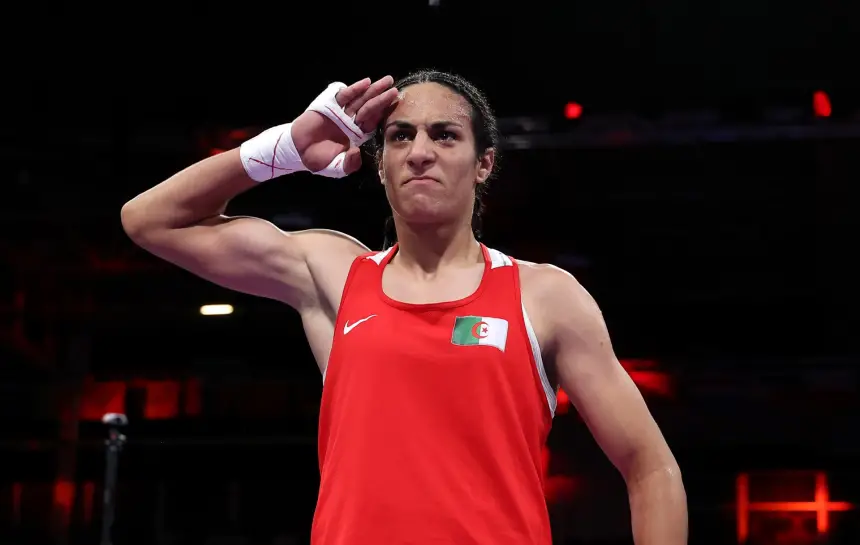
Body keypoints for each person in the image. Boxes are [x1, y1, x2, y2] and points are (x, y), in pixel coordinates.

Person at [121, 71, 687, 545]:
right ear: (380, 162)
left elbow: (651, 467)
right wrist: (285, 149)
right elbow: (149, 221)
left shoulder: (544, 296)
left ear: (483, 163)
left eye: (445, 135)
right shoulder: (337, 276)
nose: (419, 152)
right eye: (399, 137)